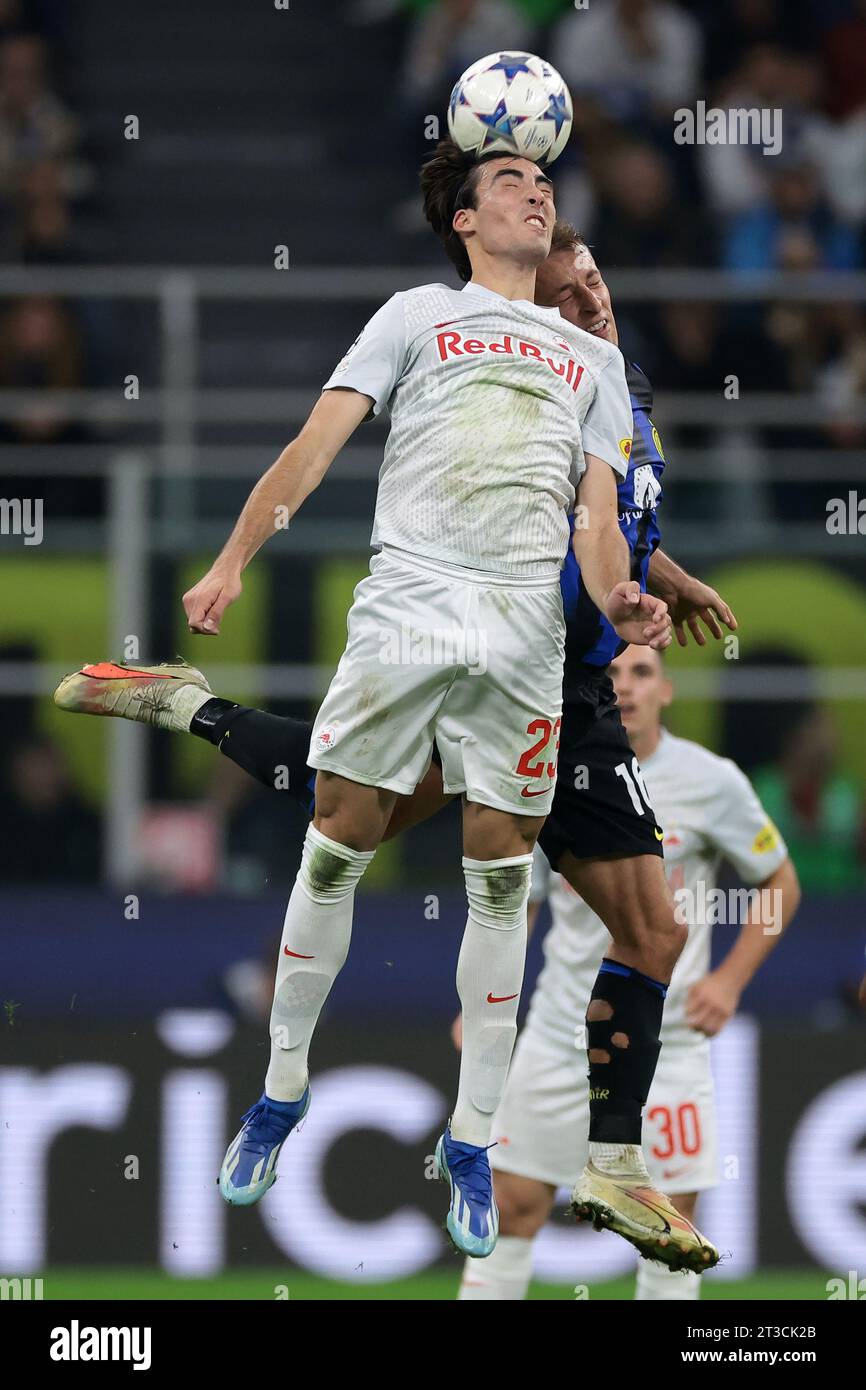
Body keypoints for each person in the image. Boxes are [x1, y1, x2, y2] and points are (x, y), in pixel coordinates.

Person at [55, 220, 732, 1272]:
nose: (593, 289)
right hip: (512, 659)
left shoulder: (611, 372)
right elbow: (556, 512)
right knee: (347, 820)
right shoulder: (503, 368)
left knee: (651, 932)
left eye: (595, 271)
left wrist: (659, 572)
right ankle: (192, 710)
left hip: (579, 689)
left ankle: (607, 1160)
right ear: (526, 309)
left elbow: (605, 513)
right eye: (571, 279)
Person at [458, 642, 800, 1300]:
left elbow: (779, 880)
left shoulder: (710, 779)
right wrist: (483, 1012)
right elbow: (514, 904)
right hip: (560, 1032)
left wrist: (729, 982)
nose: (627, 686)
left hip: (665, 1047)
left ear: (666, 690)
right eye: (612, 673)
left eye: (642, 672)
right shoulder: (551, 769)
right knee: (514, 1204)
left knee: (667, 1230)